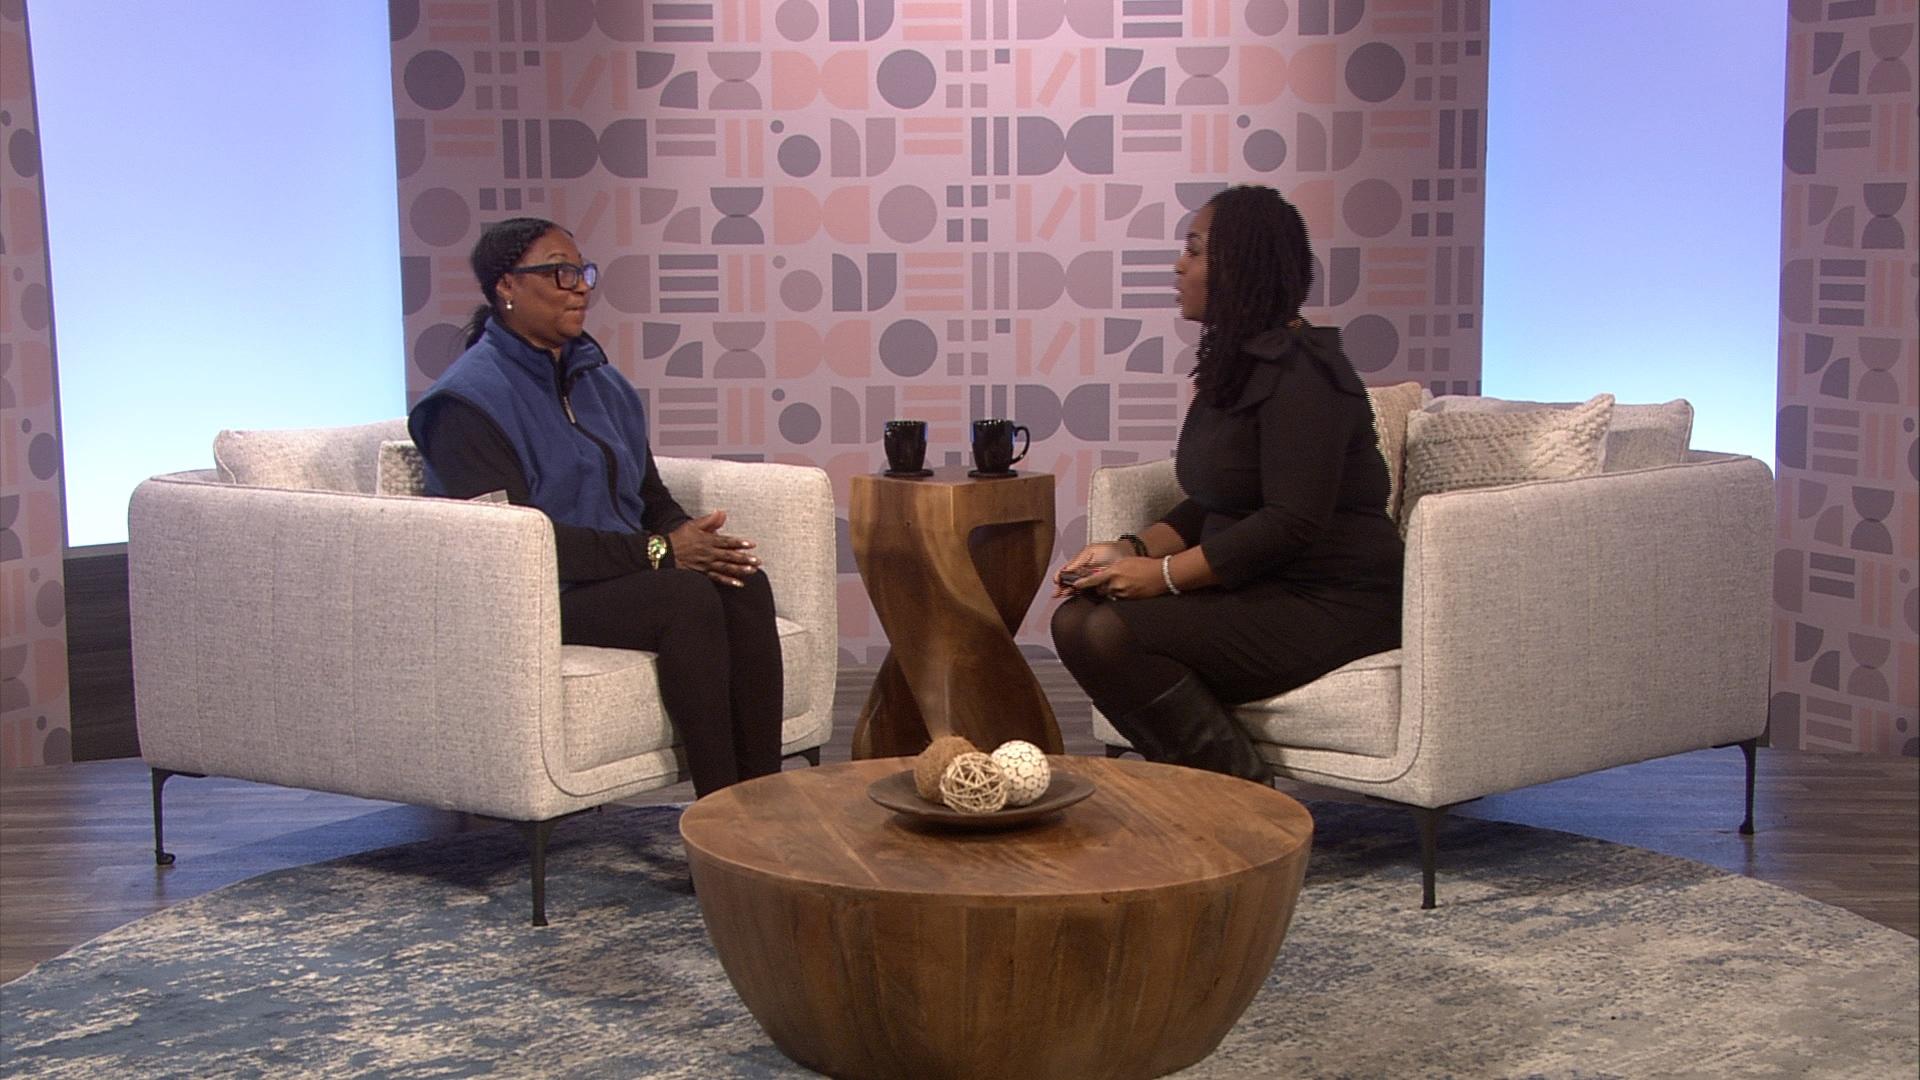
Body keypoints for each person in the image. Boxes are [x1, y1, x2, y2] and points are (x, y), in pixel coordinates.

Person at [409, 217, 783, 797]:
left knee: (741, 581)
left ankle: (765, 805)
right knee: (684, 596)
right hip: (536, 596)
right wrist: (660, 552)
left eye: (582, 272)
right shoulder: (465, 405)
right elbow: (515, 544)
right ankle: (718, 824)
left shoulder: (600, 383)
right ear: (507, 285)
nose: (579, 287)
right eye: (559, 273)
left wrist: (686, 535)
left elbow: (646, 493)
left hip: (618, 573)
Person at [1050, 185, 1403, 783]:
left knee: (1107, 630)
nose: (1179, 265)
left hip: (1333, 601)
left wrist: (1161, 578)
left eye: (1195, 250)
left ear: (1238, 267)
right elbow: (1219, 495)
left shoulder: (1304, 377)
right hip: (1264, 587)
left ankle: (1239, 802)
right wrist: (1130, 550)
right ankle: (1232, 788)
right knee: (1078, 616)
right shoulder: (1238, 365)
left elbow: (1291, 522)